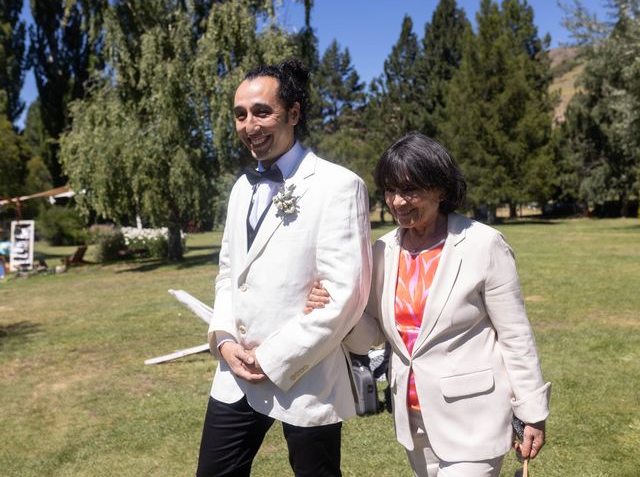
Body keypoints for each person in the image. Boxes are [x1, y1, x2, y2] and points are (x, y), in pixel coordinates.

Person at [307, 132, 551, 477]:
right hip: (413, 423)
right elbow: (370, 337)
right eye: (390, 190)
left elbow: (515, 336)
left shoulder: (484, 245)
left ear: (441, 189)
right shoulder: (382, 251)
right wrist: (338, 308)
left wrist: (532, 412)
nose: (397, 201)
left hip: (475, 421)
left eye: (410, 190)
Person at [196, 60, 372, 477]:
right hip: (234, 372)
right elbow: (228, 274)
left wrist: (271, 358)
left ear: (293, 113)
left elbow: (344, 296)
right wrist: (223, 340)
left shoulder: (338, 186)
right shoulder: (241, 189)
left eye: (261, 112)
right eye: (240, 115)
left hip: (305, 373)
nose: (248, 125)